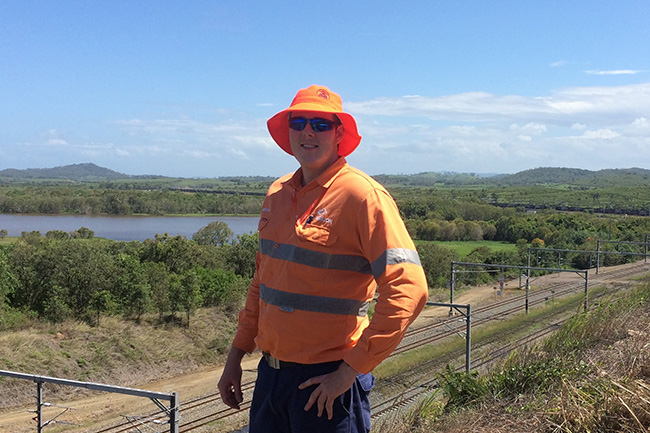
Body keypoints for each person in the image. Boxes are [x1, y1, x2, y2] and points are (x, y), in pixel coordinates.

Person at [218, 85, 428, 433]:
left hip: (327, 383)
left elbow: (409, 288)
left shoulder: (363, 196)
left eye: (320, 124)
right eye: (298, 122)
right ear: (289, 132)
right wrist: (236, 356)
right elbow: (263, 283)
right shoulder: (277, 194)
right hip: (270, 378)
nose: (307, 131)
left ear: (339, 133)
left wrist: (349, 372)